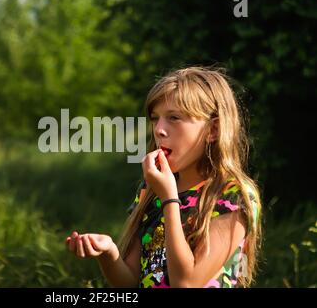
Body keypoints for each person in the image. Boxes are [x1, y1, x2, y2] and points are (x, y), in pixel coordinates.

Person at [65, 66, 262, 288]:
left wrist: (169, 199)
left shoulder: (233, 195)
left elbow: (186, 283)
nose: (159, 130)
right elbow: (130, 282)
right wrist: (108, 252)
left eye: (174, 118)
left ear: (213, 130)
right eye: (155, 118)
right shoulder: (152, 189)